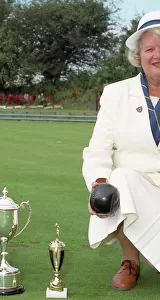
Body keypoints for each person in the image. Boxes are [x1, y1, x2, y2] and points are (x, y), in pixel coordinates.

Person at [82, 11, 160, 291]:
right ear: (138, 55)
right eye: (150, 48)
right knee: (121, 179)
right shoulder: (115, 93)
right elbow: (98, 150)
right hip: (133, 186)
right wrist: (99, 183)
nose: (157, 55)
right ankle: (131, 260)